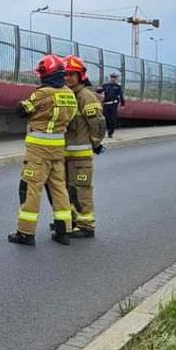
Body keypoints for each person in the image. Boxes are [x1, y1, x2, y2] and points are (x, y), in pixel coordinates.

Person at [8, 54, 78, 247]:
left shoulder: (43, 93)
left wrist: (23, 106)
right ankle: (64, 231)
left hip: (38, 150)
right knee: (59, 189)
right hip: (58, 149)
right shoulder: (69, 94)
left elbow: (24, 110)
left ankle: (25, 232)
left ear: (46, 73)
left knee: (31, 189)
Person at [62, 55, 107, 238]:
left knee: (81, 188)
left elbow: (97, 123)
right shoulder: (67, 95)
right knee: (68, 189)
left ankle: (86, 225)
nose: (68, 78)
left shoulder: (85, 96)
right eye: (65, 74)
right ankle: (72, 221)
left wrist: (96, 143)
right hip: (66, 154)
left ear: (81, 76)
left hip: (80, 155)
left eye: (72, 74)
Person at [97, 71, 125, 138]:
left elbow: (121, 96)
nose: (113, 79)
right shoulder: (106, 85)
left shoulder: (118, 87)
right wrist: (98, 90)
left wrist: (122, 104)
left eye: (114, 77)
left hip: (113, 105)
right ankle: (104, 132)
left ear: (116, 78)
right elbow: (99, 90)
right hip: (106, 104)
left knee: (112, 119)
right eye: (112, 77)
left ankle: (110, 133)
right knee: (105, 119)